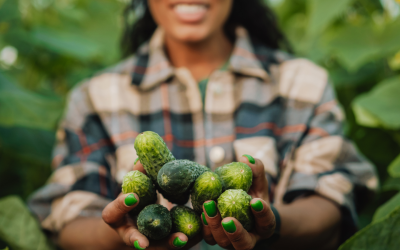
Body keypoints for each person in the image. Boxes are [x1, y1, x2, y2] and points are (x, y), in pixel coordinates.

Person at [28, 0, 377, 249]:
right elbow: (69, 222)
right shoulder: (94, 98)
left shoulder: (302, 83)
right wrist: (126, 232)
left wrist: (273, 225)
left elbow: (332, 205)